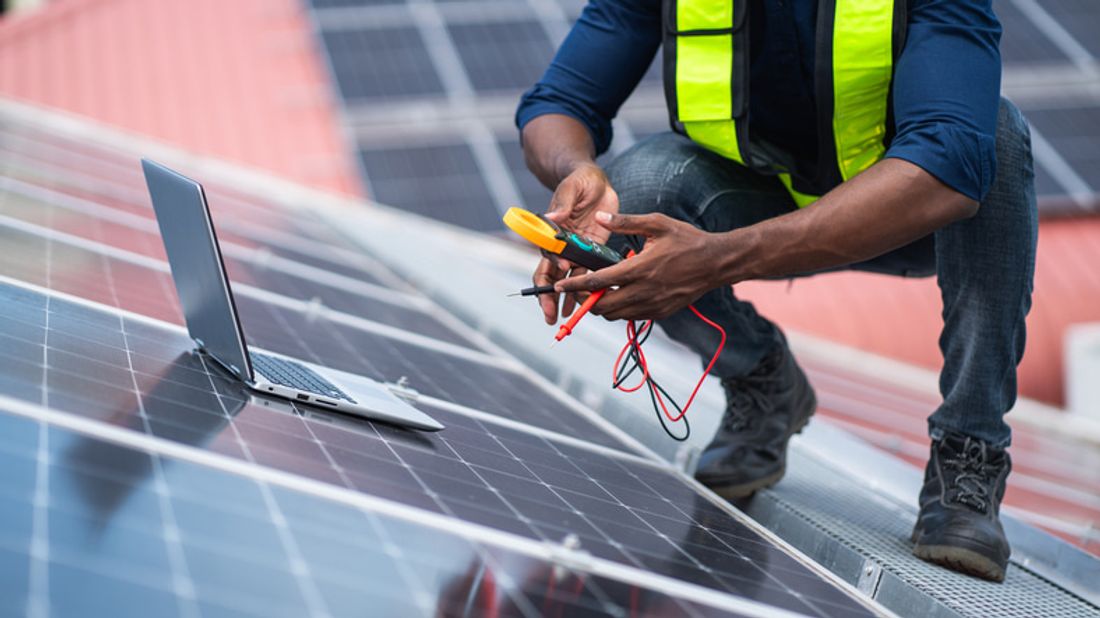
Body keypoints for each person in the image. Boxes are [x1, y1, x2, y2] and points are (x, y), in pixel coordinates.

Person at [515, 0, 1035, 583]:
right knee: (636, 188)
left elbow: (950, 161)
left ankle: (969, 452)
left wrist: (718, 259)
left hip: (914, 212)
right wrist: (575, 173)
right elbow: (557, 102)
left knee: (994, 133)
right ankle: (763, 380)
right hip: (760, 200)